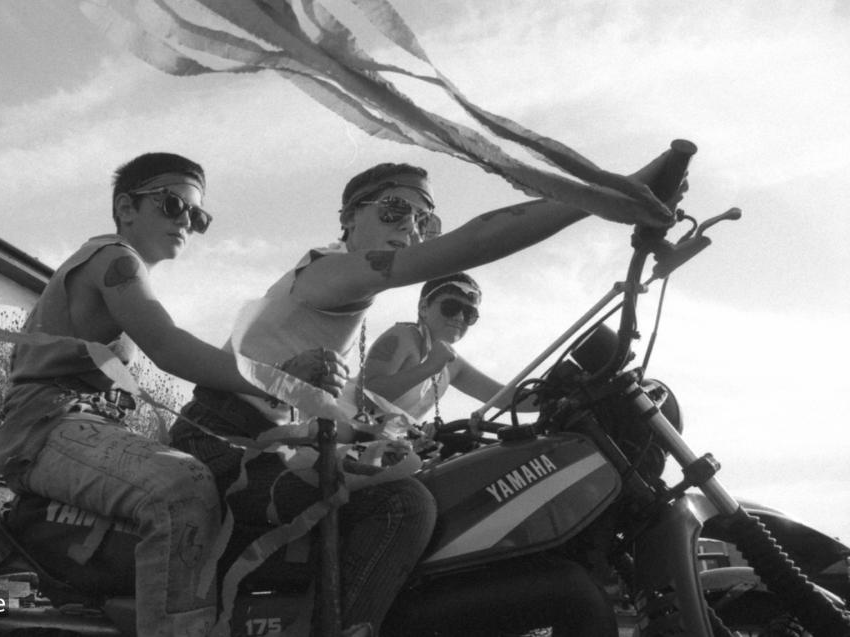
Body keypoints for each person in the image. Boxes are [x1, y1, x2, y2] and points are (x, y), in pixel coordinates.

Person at [170, 152, 684, 635]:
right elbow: (475, 241)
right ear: (349, 217)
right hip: (226, 441)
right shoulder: (327, 273)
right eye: (395, 210)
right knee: (403, 506)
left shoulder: (347, 294)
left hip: (270, 439)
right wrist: (608, 197)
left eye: (424, 221)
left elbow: (505, 395)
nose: (411, 228)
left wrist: (562, 391)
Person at [0, 153, 346, 637]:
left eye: (198, 216)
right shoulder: (115, 258)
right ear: (127, 207)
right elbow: (170, 347)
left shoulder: (117, 265)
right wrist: (281, 379)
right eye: (174, 205)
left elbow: (185, 354)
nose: (186, 224)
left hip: (75, 424)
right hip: (47, 427)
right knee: (183, 485)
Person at [352, 272, 528, 427]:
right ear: (423, 307)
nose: (460, 317)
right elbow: (364, 399)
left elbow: (505, 398)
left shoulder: (451, 362)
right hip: (342, 441)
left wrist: (553, 393)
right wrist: (429, 367)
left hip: (388, 451)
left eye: (469, 313)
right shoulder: (403, 336)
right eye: (450, 307)